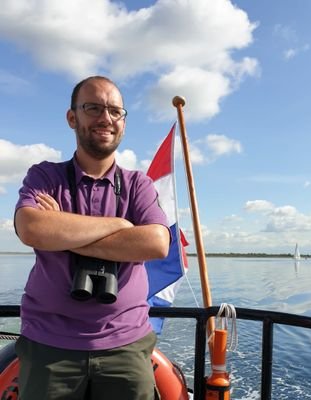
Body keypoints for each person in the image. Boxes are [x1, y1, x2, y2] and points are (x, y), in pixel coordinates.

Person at [14, 76, 170, 399]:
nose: (106, 118)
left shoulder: (137, 185)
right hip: (49, 345)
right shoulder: (45, 176)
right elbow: (31, 228)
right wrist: (120, 225)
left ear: (124, 124)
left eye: (115, 111)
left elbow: (157, 243)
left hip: (126, 344)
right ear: (72, 117)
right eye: (93, 108)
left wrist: (61, 230)